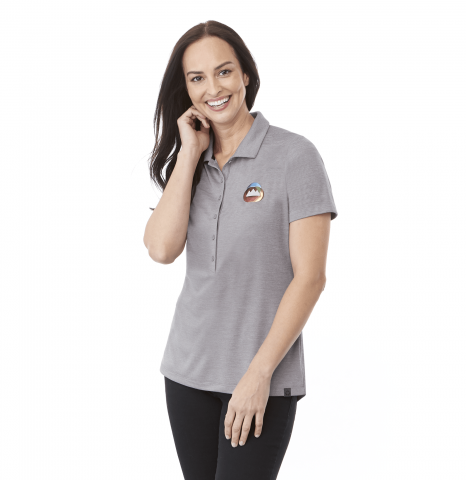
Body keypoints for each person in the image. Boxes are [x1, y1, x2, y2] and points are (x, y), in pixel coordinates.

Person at [143, 20, 338, 480]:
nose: (213, 88)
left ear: (245, 74)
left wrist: (258, 374)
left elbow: (310, 277)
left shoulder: (295, 156)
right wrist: (189, 153)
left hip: (261, 376)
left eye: (224, 71)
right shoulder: (193, 162)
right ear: (187, 89)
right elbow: (161, 249)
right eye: (197, 78)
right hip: (187, 371)